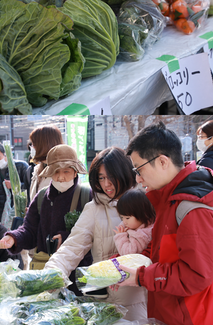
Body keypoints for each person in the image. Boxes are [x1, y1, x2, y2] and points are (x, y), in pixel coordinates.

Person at [116, 121, 213, 324]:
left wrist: (142, 277)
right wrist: (126, 265)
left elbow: (196, 274)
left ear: (162, 161)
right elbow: (162, 251)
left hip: (190, 316)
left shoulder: (191, 207)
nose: (138, 179)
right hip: (172, 312)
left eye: (139, 170)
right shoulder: (170, 198)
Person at [43, 147, 147, 320]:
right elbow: (72, 247)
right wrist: (52, 273)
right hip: (104, 301)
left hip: (138, 299)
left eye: (111, 177)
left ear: (124, 173)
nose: (106, 184)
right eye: (101, 178)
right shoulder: (94, 209)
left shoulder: (145, 202)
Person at [0, 144, 92, 294]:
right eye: (56, 172)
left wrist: (65, 238)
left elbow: (95, 234)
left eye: (66, 171)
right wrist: (14, 238)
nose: (61, 177)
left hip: (78, 276)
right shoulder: (41, 197)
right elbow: (29, 229)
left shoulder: (87, 196)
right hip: (45, 272)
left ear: (75, 172)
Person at [0, 141, 29, 223]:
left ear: (5, 154)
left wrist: (15, 186)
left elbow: (30, 187)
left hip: (20, 212)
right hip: (1, 214)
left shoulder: (21, 166)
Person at [113, 189, 155, 256]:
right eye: (122, 217)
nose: (124, 222)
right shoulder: (138, 225)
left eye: (127, 218)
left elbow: (128, 253)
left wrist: (120, 237)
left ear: (143, 214)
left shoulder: (142, 234)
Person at [28, 125, 64, 203]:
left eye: (33, 144)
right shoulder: (37, 168)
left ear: (43, 145)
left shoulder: (64, 172)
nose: (31, 147)